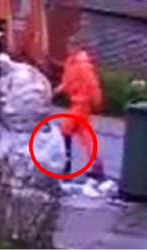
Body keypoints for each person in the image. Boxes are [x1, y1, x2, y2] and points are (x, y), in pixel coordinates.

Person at [54, 47, 103, 178]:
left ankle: (66, 164)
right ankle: (97, 164)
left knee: (65, 129)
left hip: (81, 103)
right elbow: (67, 82)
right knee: (84, 135)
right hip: (79, 103)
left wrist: (97, 100)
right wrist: (56, 91)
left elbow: (92, 84)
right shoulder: (72, 63)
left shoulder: (82, 65)